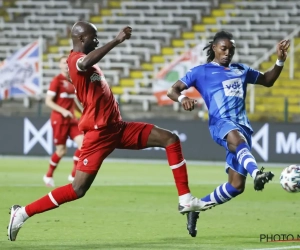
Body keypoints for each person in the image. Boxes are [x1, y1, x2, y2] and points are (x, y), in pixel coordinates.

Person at [7, 21, 215, 241]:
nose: (96, 40)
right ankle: (22, 213)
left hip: (117, 127)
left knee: (170, 139)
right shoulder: (75, 60)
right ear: (80, 39)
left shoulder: (85, 63)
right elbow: (85, 62)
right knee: (77, 189)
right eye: (93, 37)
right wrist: (116, 40)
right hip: (98, 135)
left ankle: (185, 199)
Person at [167, 30, 290, 237]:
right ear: (214, 48)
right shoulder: (201, 71)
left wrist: (279, 61)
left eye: (231, 49)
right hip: (221, 125)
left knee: (236, 185)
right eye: (224, 48)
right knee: (236, 139)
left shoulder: (241, 69)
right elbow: (173, 90)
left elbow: (267, 80)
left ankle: (197, 208)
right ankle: (257, 173)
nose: (227, 53)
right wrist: (182, 99)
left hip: (243, 128)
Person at [44, 56, 84, 187]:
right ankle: (48, 175)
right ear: (59, 65)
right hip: (59, 120)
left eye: (67, 63)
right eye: (63, 63)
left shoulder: (72, 81)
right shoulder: (57, 81)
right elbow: (48, 101)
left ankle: (73, 175)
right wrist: (63, 111)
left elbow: (73, 100)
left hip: (71, 119)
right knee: (61, 151)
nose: (66, 65)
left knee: (83, 144)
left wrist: (84, 112)